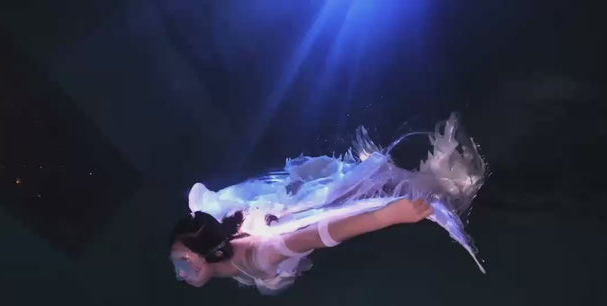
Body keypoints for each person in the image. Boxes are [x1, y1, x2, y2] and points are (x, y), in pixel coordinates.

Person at [169, 113, 487, 295]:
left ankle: (441, 181)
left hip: (321, 224)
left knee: (398, 191)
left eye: (182, 264)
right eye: (178, 267)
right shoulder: (231, 252)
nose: (181, 274)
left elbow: (319, 235)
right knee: (374, 184)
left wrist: (387, 217)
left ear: (210, 251)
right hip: (294, 209)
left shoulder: (257, 256)